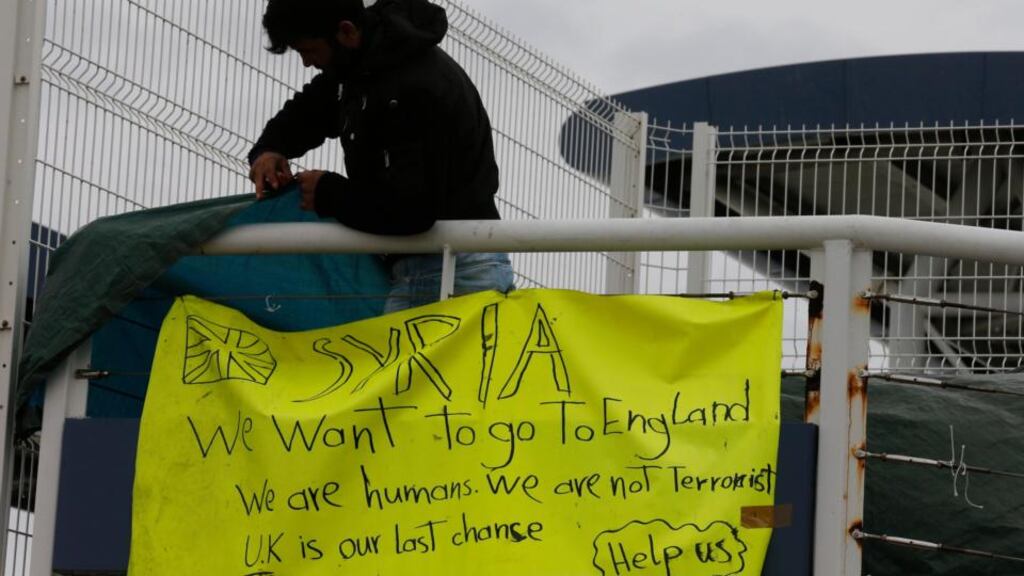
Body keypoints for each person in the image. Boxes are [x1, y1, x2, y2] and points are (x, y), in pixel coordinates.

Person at [248, 0, 513, 312]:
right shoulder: (361, 65)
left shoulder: (412, 88)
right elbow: (311, 109)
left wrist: (328, 193)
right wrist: (268, 150)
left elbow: (412, 210)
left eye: (310, 50)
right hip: (430, 265)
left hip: (454, 270)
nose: (307, 63)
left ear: (345, 32)